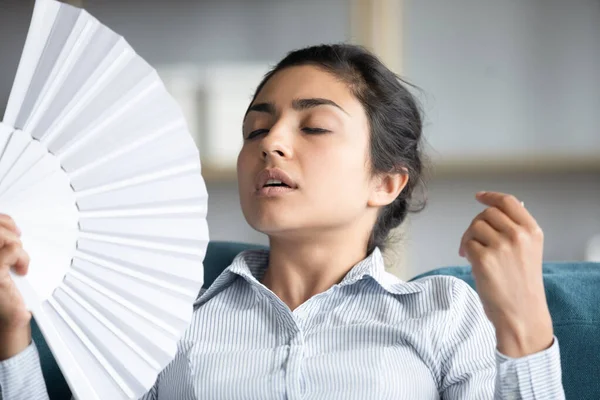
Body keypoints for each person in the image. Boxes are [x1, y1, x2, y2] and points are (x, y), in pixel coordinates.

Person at [0, 44, 563, 399]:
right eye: (254, 130)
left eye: (314, 127)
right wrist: (8, 332)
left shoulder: (443, 312)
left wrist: (525, 330)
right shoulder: (171, 319)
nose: (271, 143)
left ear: (386, 182)